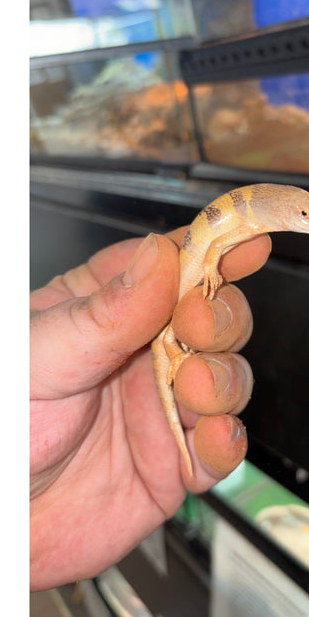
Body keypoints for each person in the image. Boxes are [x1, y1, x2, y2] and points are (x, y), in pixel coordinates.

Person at [30, 227, 272, 591]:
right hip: (164, 337)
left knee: (197, 358)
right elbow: (218, 245)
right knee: (188, 355)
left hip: (168, 336)